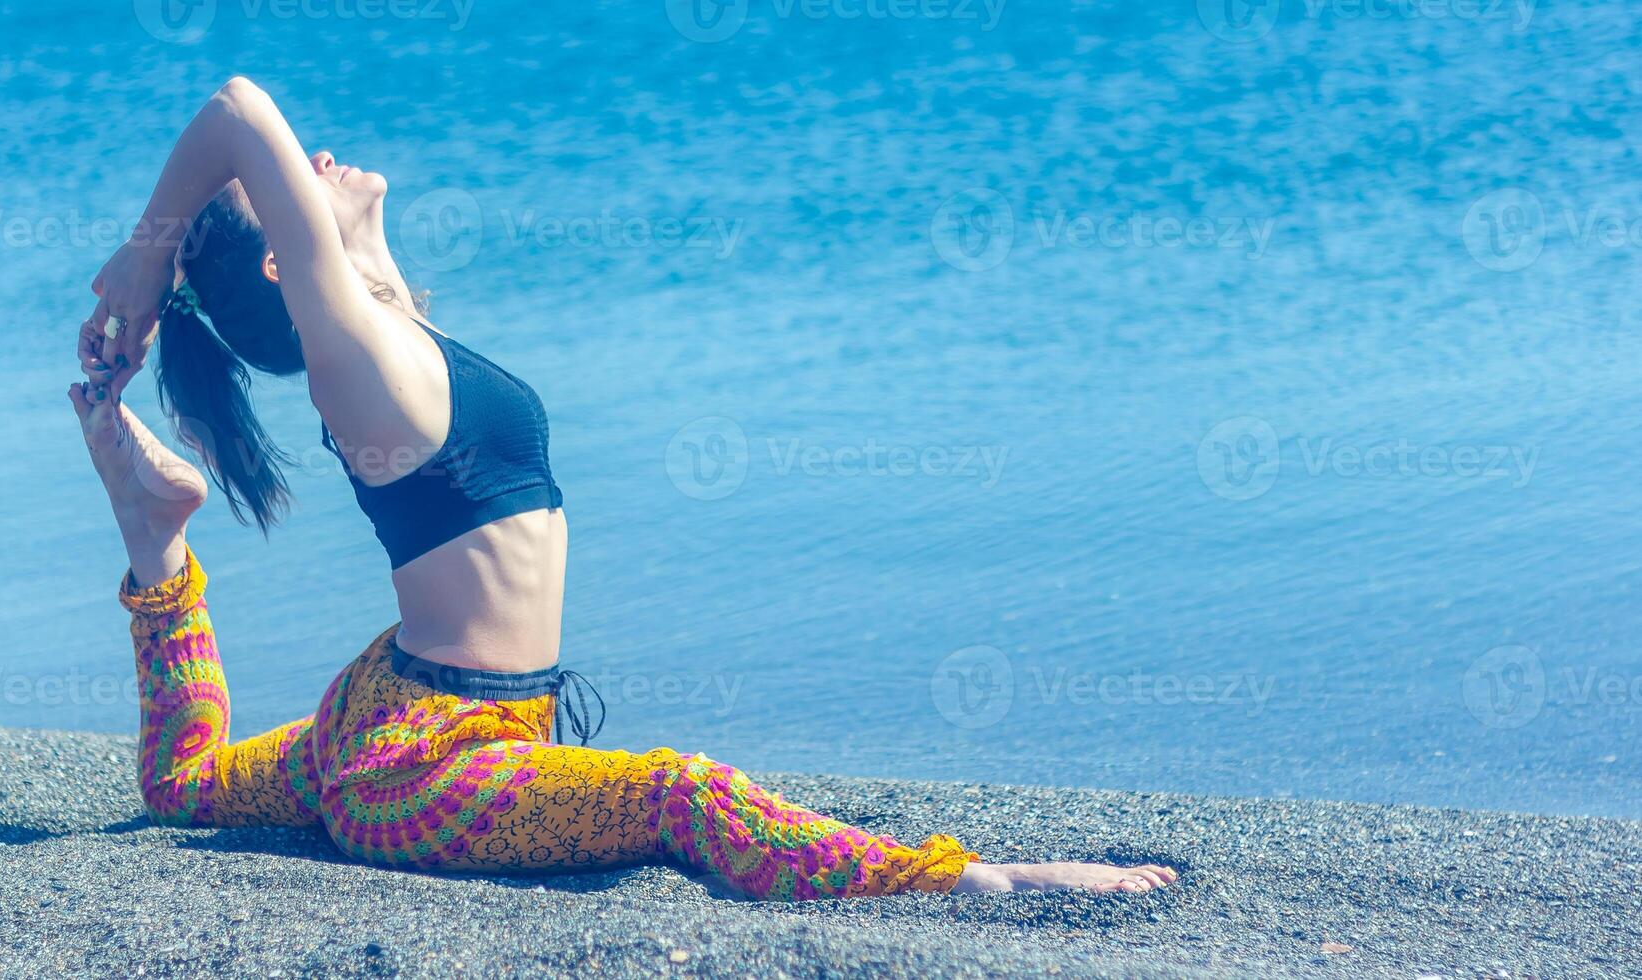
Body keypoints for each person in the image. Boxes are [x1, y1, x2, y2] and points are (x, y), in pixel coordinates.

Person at [71, 76, 1178, 900]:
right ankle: (964, 881)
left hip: (402, 707)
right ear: (290, 271)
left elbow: (316, 213)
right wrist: (148, 257)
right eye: (293, 194)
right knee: (672, 790)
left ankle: (155, 537)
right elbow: (237, 111)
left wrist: (305, 253)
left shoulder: (391, 327)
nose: (316, 158)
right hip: (419, 764)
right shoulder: (360, 364)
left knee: (190, 786)